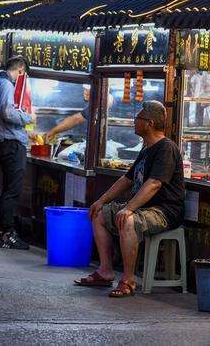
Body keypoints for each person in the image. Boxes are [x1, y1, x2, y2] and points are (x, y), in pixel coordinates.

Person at [75, 100, 185, 298]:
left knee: (128, 220)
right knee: (98, 213)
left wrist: (129, 208)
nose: (134, 121)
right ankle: (105, 270)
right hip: (144, 207)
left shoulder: (166, 148)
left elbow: (154, 184)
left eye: (138, 118)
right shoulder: (147, 148)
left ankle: (128, 280)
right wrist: (102, 200)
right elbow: (127, 179)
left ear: (149, 123)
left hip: (164, 211)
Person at [0, 56, 34, 249]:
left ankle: (1, 233)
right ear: (21, 70)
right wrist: (27, 117)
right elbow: (8, 113)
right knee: (12, 190)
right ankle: (6, 233)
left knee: (9, 188)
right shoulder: (6, 85)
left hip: (4, 143)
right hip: (11, 144)